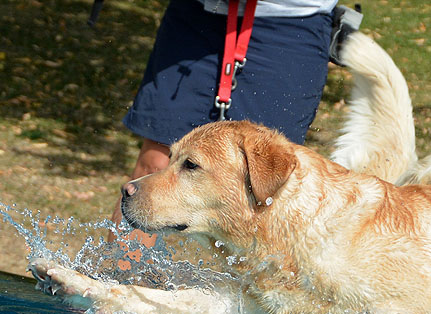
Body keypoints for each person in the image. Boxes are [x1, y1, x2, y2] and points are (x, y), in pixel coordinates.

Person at [110, 0, 338, 250]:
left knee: (269, 196)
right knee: (156, 161)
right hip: (197, 17)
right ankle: (117, 285)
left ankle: (250, 288)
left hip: (289, 23)